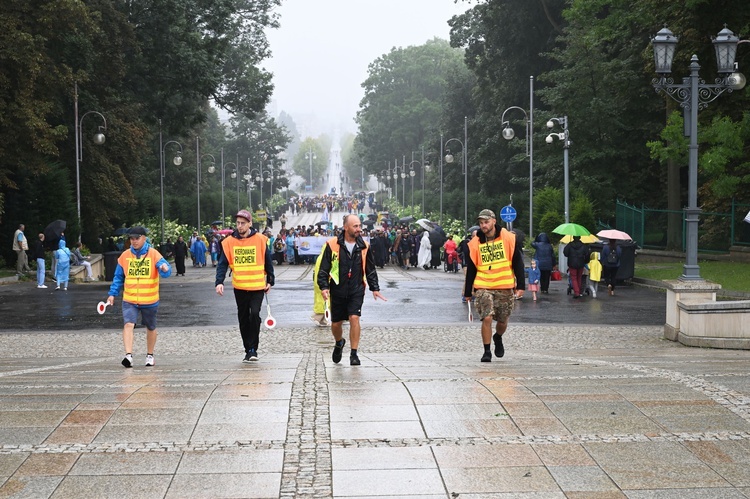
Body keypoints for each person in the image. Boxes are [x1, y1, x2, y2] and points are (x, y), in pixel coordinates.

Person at [317, 214, 387, 366]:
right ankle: (339, 342)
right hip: (337, 289)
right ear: (346, 227)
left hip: (356, 288)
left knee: (355, 318)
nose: (359, 229)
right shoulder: (332, 244)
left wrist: (374, 288)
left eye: (359, 226)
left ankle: (354, 354)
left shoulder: (364, 246)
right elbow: (323, 269)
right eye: (355, 226)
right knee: (336, 324)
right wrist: (324, 287)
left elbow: (370, 269)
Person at [464, 209, 526, 363]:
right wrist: (468, 292)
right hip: (483, 285)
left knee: (503, 320)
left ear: (494, 221)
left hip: (504, 285)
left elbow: (517, 261)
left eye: (486, 222)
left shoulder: (508, 238)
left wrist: (521, 285)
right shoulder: (475, 243)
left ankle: (497, 337)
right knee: (486, 317)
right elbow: (472, 269)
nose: (483, 225)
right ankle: (486, 352)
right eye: (481, 223)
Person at [106, 226, 171, 367]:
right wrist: (112, 294)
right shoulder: (125, 256)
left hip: (150, 299)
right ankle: (128, 356)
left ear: (144, 238)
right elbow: (118, 277)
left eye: (137, 238)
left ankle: (150, 355)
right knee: (128, 324)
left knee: (151, 327)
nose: (134, 241)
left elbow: (165, 269)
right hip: (129, 299)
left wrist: (164, 268)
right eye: (131, 238)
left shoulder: (153, 254)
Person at [215, 210, 275, 363]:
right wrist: (219, 282)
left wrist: (270, 280)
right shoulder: (228, 242)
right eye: (238, 223)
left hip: (257, 287)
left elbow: (268, 261)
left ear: (249, 224)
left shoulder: (261, 240)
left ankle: (253, 348)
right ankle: (247, 349)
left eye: (243, 223)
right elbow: (222, 264)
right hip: (240, 287)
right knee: (243, 318)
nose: (240, 226)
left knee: (254, 314)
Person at [310, 252, 330, 327]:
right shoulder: (325, 257)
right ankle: (317, 317)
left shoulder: (322, 256)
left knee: (325, 301)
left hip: (320, 281)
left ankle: (323, 320)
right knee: (323, 301)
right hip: (323, 283)